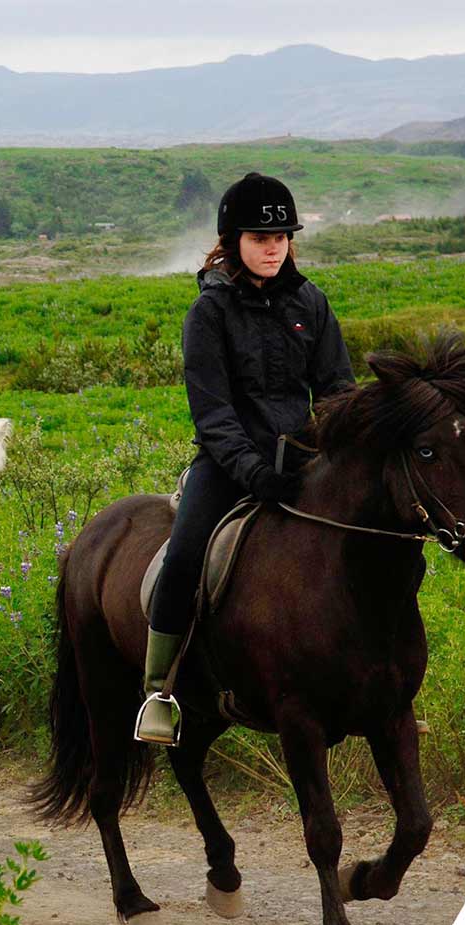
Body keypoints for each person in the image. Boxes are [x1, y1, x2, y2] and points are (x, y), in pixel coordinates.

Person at [136, 172, 355, 746]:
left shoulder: (310, 301)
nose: (273, 246)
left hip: (303, 462)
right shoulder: (208, 313)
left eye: (281, 236)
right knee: (183, 556)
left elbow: (337, 390)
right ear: (232, 239)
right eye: (260, 237)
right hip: (230, 466)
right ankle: (160, 690)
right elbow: (213, 414)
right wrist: (256, 473)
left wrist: (332, 454)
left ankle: (368, 679)